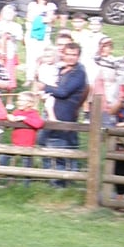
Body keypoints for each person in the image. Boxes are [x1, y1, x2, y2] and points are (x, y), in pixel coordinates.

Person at [36, 42, 88, 187]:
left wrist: (44, 86)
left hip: (63, 116)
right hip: (52, 113)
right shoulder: (62, 70)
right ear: (63, 54)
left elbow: (64, 92)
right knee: (43, 143)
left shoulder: (78, 73)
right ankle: (52, 179)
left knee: (58, 149)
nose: (71, 58)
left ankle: (59, 185)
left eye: (74, 55)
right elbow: (57, 90)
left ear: (78, 56)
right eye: (68, 54)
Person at [0, 92, 45, 182]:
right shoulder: (17, 112)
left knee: (27, 166)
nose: (18, 102)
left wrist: (25, 119)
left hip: (27, 146)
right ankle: (5, 178)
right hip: (15, 144)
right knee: (2, 159)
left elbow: (39, 124)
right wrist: (9, 117)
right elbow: (9, 122)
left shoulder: (33, 113)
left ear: (30, 103)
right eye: (18, 100)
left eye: (21, 100)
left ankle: (26, 185)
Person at [23, 0, 56, 87]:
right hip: (32, 34)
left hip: (44, 35)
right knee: (30, 56)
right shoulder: (32, 5)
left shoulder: (51, 5)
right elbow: (29, 18)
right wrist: (42, 18)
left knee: (43, 56)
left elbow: (50, 19)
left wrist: (38, 18)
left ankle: (41, 78)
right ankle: (29, 78)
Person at [0, 4, 23, 106]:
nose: (9, 14)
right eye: (6, 12)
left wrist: (10, 35)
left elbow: (20, 38)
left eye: (11, 12)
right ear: (2, 13)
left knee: (9, 77)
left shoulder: (16, 26)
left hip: (10, 54)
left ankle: (9, 100)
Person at [92, 36, 124, 127]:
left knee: (109, 128)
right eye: (101, 46)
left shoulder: (115, 62)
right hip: (97, 101)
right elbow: (96, 57)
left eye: (106, 46)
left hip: (110, 101)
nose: (103, 48)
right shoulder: (96, 61)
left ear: (111, 48)